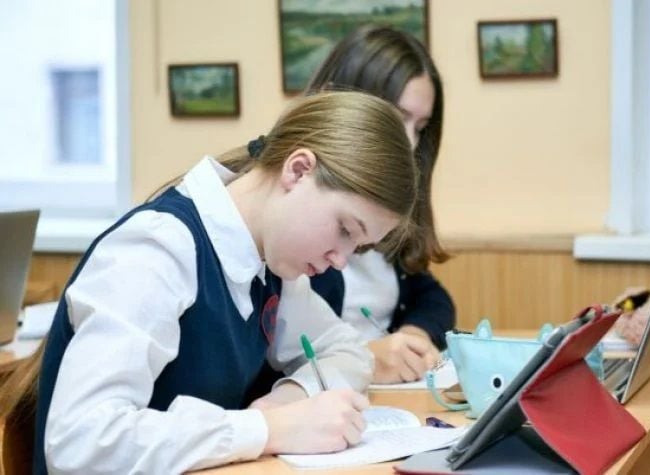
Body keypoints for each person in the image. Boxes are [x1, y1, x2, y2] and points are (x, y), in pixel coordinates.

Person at [0, 91, 418, 474]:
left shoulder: (271, 263)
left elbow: (348, 352)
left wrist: (288, 400)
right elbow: (81, 442)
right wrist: (268, 428)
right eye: (344, 229)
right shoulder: (158, 249)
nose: (340, 260)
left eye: (357, 246)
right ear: (298, 170)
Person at [303, 25, 456, 384]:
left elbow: (432, 297)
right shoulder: (297, 222)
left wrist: (414, 336)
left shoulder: (386, 217)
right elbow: (279, 354)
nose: (410, 143)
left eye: (420, 127)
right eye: (397, 118)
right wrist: (366, 359)